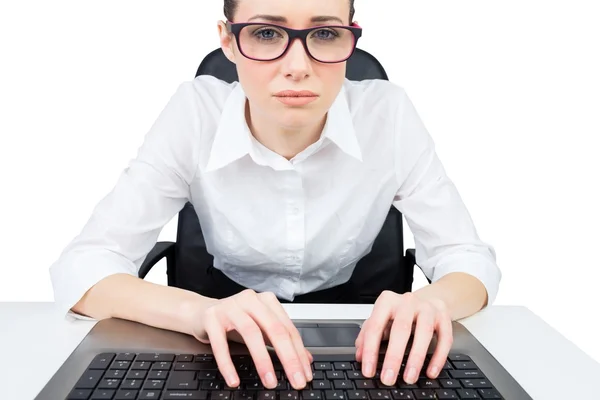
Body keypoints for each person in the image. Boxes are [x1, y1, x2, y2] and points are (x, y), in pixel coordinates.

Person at [49, 0, 501, 392]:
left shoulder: (389, 115)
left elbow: (467, 257)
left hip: (361, 339)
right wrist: (198, 313)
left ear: (351, 40)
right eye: (267, 33)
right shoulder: (193, 114)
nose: (298, 65)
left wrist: (430, 303)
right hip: (219, 337)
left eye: (324, 33)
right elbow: (83, 266)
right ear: (227, 40)